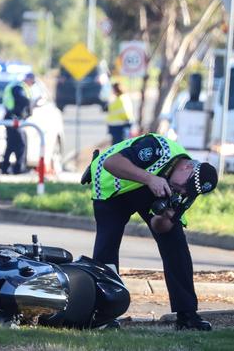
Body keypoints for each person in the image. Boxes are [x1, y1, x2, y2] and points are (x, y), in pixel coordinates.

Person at [85, 133, 218, 331]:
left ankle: (187, 315)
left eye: (186, 192)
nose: (181, 191)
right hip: (112, 186)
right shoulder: (158, 148)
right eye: (183, 187)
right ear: (187, 166)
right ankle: (103, 315)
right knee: (108, 244)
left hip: (149, 187)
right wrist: (150, 179)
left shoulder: (186, 191)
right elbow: (112, 163)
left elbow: (160, 227)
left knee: (175, 243)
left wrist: (166, 217)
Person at [1, 72, 34, 174]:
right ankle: (19, 168)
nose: (32, 84)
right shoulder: (18, 87)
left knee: (11, 144)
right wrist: (29, 108)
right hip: (14, 118)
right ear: (28, 79)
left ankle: (5, 168)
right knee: (21, 144)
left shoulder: (16, 86)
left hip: (12, 118)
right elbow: (23, 100)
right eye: (32, 81)